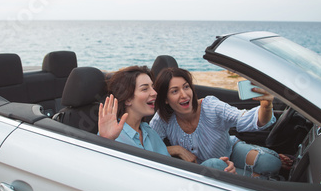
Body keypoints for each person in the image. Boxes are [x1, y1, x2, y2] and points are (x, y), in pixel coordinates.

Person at [98, 66, 236, 173]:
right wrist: (106, 141)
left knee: (217, 165)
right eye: (145, 89)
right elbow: (98, 172)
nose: (154, 93)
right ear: (128, 99)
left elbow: (170, 168)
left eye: (152, 87)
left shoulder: (149, 132)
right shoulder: (112, 134)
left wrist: (221, 167)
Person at [150, 67, 282, 178]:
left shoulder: (211, 106)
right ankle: (257, 178)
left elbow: (248, 120)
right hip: (205, 168)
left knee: (273, 163)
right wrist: (177, 150)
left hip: (229, 149)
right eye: (175, 91)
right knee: (215, 165)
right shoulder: (163, 118)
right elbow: (147, 146)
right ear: (166, 99)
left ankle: (253, 169)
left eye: (186, 87)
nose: (184, 95)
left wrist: (266, 105)